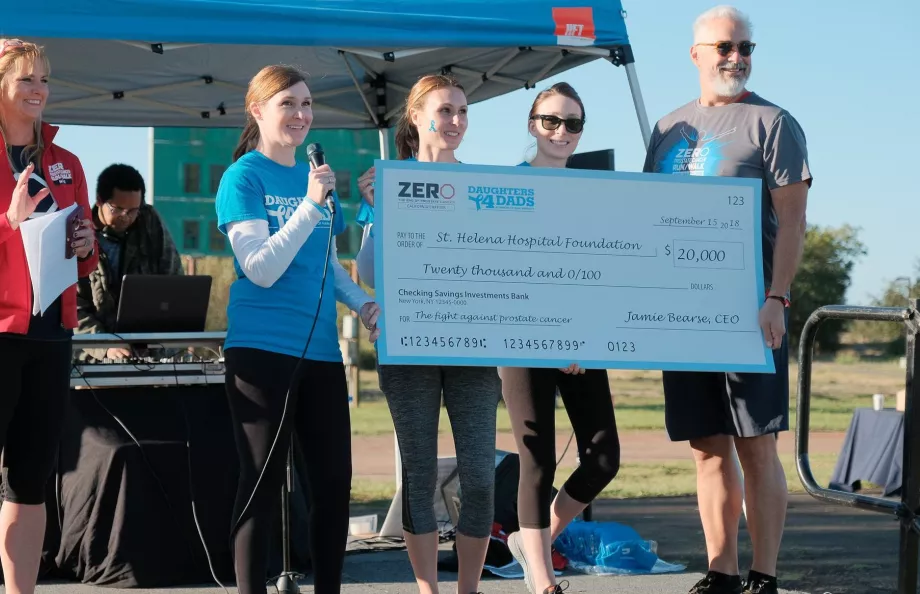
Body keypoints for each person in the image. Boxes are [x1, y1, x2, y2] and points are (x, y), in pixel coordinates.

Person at [642, 6, 811, 594]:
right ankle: (722, 573)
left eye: (745, 47)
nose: (734, 57)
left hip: (752, 314)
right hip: (683, 317)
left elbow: (793, 223)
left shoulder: (774, 123)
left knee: (756, 445)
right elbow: (645, 222)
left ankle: (763, 574)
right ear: (696, 54)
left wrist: (776, 297)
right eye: (723, 46)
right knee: (707, 447)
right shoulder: (665, 128)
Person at [215, 64, 380, 594]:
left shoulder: (316, 178)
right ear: (258, 110)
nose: (302, 114)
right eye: (288, 103)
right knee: (261, 484)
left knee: (333, 486)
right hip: (261, 350)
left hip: (321, 353)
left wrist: (363, 305)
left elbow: (327, 267)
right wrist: (310, 206)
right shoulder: (244, 177)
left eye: (307, 104)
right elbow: (260, 268)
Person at [354, 74, 501, 594]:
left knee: (480, 479)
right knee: (419, 475)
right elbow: (368, 273)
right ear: (416, 117)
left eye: (463, 111)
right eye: (444, 111)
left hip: (474, 351)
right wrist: (377, 211)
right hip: (410, 349)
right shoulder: (388, 183)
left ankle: (467, 590)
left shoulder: (485, 183)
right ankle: (427, 590)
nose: (456, 121)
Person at [500, 82, 620, 594]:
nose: (561, 132)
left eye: (572, 123)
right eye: (551, 121)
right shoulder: (506, 188)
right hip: (522, 343)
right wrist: (551, 338)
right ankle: (543, 580)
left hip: (582, 343)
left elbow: (600, 271)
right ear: (532, 125)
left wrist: (583, 336)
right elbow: (507, 276)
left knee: (604, 457)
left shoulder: (596, 192)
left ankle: (532, 538)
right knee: (539, 461)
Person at [0, 38, 98, 594]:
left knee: (30, 482)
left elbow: (84, 258)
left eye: (44, 80)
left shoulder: (66, 162)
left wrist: (86, 243)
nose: (39, 91)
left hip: (51, 335)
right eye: (25, 80)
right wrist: (8, 221)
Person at [75, 163, 184, 361]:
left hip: (148, 349)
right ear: (100, 201)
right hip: (94, 354)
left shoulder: (149, 222)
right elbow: (73, 308)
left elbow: (173, 282)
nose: (127, 217)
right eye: (119, 210)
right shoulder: (80, 235)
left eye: (134, 210)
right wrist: (105, 347)